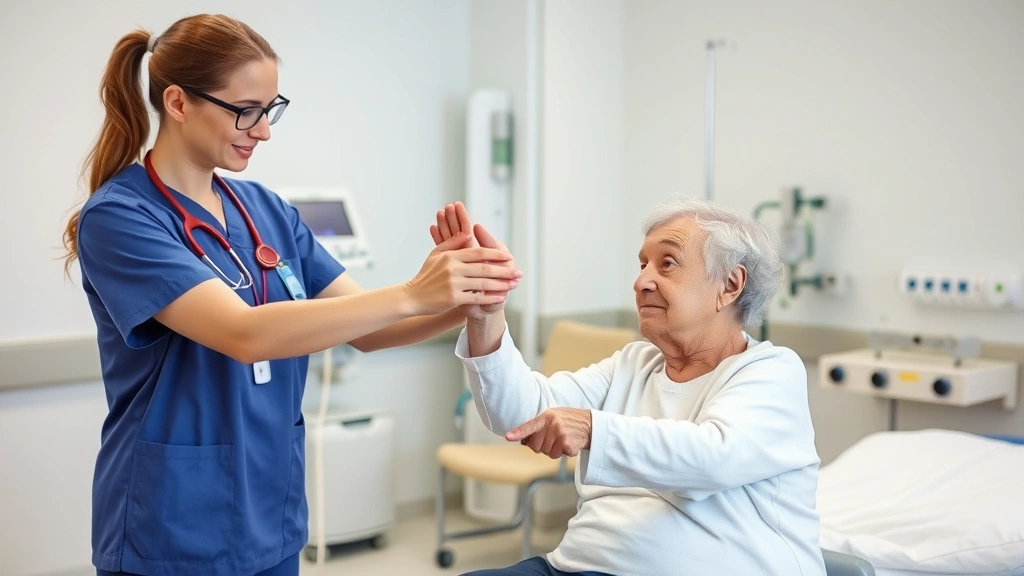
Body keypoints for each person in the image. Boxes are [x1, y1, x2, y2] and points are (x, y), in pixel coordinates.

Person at [62, 14, 520, 576]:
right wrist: (414, 291)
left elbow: (371, 332)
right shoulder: (120, 218)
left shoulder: (267, 211)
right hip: (172, 517)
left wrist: (466, 294)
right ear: (179, 103)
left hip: (270, 511)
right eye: (246, 111)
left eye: (270, 110)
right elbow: (244, 334)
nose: (263, 131)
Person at [445, 197, 827, 576]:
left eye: (668, 263)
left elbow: (713, 456)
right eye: (643, 264)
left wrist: (594, 428)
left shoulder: (771, 371)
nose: (642, 281)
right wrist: (487, 316)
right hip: (571, 567)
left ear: (729, 285)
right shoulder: (632, 364)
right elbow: (521, 413)